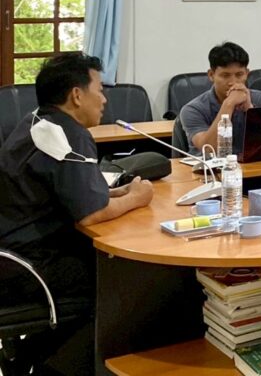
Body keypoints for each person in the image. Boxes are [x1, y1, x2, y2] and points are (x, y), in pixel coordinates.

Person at [0, 53, 153, 375]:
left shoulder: (37, 121)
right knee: (125, 280)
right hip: (28, 265)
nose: (105, 99)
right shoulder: (69, 135)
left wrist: (116, 193)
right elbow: (91, 215)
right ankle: (55, 367)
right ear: (77, 95)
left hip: (10, 254)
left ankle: (26, 357)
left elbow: (69, 193)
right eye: (100, 89)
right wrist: (137, 198)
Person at [179, 41, 261, 156]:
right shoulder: (193, 109)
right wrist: (228, 104)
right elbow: (209, 149)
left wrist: (250, 110)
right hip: (210, 166)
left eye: (239, 75)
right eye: (225, 75)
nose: (233, 82)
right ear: (211, 75)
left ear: (247, 73)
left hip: (252, 165)